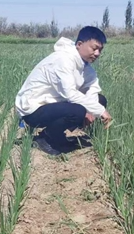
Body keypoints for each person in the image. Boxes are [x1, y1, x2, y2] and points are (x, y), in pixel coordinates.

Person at [15, 26, 112, 156]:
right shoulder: (63, 60)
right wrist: (99, 111)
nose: (97, 54)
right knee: (78, 111)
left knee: (100, 100)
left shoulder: (86, 67)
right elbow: (70, 94)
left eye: (100, 50)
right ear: (79, 44)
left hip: (54, 103)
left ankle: (58, 135)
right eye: (94, 48)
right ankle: (46, 137)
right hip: (34, 108)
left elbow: (92, 89)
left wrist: (94, 110)